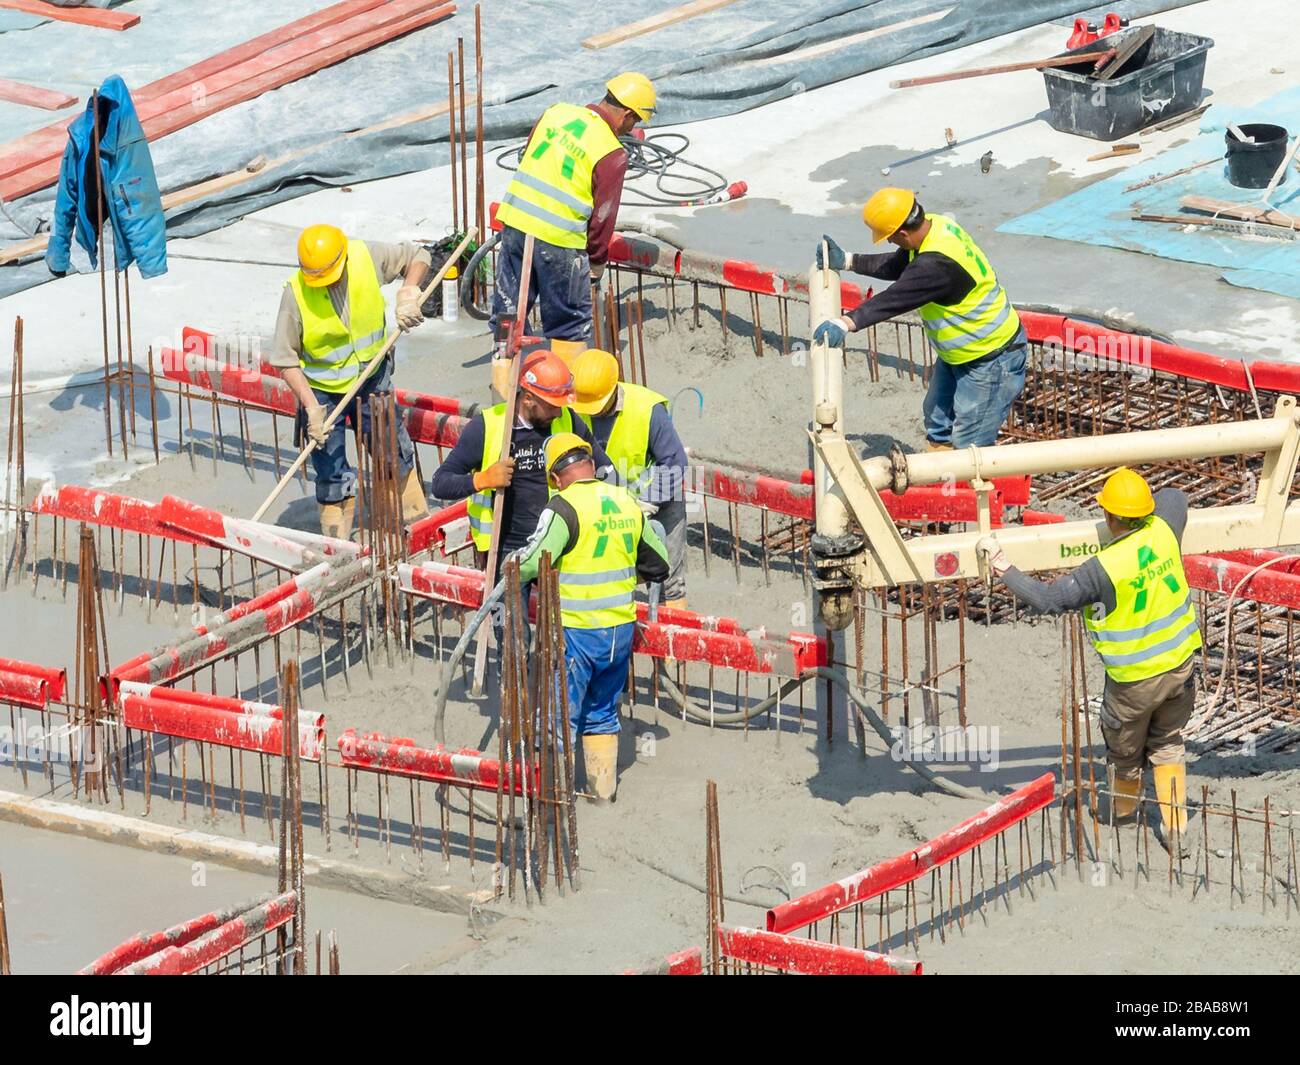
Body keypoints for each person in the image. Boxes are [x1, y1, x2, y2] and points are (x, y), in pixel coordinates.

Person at [978, 468, 1201, 848]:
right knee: (1167, 743)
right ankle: (1176, 829)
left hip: (1135, 683)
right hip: (1181, 669)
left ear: (1110, 518)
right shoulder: (1164, 531)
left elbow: (1048, 599)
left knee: (1126, 752)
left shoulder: (1103, 569)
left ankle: (1122, 814)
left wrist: (1003, 567)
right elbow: (1175, 496)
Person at [513, 432, 669, 802]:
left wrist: (510, 569)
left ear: (554, 478)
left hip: (577, 633)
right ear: (591, 466)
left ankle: (554, 799)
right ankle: (602, 793)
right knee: (601, 712)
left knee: (560, 716)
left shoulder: (562, 508)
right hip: (619, 631)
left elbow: (533, 562)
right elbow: (659, 562)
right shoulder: (624, 500)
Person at [812, 188, 1027, 451]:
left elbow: (896, 298)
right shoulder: (936, 227)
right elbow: (899, 265)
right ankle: (941, 476)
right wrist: (848, 261)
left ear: (902, 233)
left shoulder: (935, 265)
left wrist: (845, 322)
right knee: (937, 421)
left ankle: (967, 489)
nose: (890, 243)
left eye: (890, 238)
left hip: (992, 359)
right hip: (962, 353)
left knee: (970, 444)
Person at [489, 73, 656, 385]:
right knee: (568, 325)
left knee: (509, 314)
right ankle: (564, 398)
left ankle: (503, 390)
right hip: (560, 242)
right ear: (628, 114)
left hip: (514, 225)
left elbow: (529, 157)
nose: (631, 130)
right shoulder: (611, 152)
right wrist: (595, 264)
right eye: (633, 123)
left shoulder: (555, 112)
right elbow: (602, 218)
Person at [272, 224, 430, 537]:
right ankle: (337, 542)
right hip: (322, 392)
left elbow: (419, 256)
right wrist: (311, 408)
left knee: (392, 452)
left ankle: (413, 523)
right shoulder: (295, 293)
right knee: (330, 470)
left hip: (373, 376)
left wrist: (408, 292)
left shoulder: (365, 256)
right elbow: (284, 358)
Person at [428, 349, 610, 572]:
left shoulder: (568, 420)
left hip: (561, 540)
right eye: (552, 406)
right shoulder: (488, 427)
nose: (559, 412)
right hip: (508, 548)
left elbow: (604, 468)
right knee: (511, 607)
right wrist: (482, 479)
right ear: (528, 399)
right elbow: (441, 483)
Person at [570, 348, 689, 609]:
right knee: (612, 576)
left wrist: (647, 503)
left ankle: (672, 648)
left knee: (669, 581)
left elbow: (675, 463)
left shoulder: (647, 409)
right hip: (609, 510)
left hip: (659, 507)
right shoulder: (576, 410)